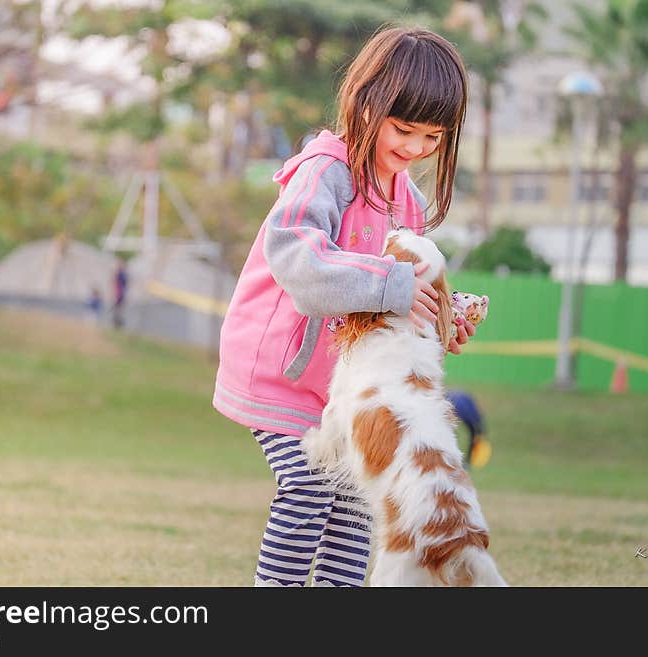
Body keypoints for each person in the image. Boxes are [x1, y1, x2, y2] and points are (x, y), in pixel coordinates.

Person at [212, 25, 472, 587]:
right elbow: (300, 260)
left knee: (357, 499)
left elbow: (402, 288)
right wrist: (396, 285)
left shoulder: (408, 198)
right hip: (280, 372)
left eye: (433, 136)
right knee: (307, 484)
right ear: (366, 102)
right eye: (404, 129)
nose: (416, 148)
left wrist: (442, 314)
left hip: (347, 385)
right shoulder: (325, 172)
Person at [446, 389, 487, 469]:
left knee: (474, 434)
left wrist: (481, 431)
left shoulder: (468, 413)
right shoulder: (448, 406)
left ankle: (468, 461)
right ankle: (457, 461)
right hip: (453, 405)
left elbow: (476, 425)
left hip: (463, 408)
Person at [112, 260, 128, 329]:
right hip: (119, 294)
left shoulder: (122, 274)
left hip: (120, 295)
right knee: (118, 310)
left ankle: (118, 325)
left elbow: (122, 285)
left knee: (119, 310)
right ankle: (117, 324)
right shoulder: (120, 274)